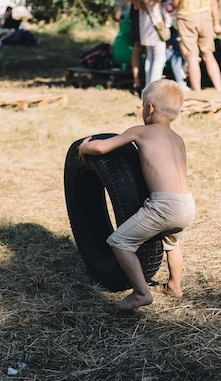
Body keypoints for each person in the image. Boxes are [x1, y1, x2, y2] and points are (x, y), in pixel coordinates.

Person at [78, 79, 195, 311]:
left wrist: (84, 147)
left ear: (149, 108)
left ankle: (141, 293)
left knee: (119, 242)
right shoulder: (178, 139)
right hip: (187, 204)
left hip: (164, 205)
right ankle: (175, 286)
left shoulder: (141, 131)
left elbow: (102, 148)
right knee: (172, 244)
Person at [172, 0, 221, 91]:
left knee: (192, 58)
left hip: (186, 17)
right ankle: (219, 89)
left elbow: (175, 3)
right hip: (205, 15)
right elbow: (214, 3)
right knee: (209, 55)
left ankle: (197, 92)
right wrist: (216, 24)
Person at [139, 0, 169, 87]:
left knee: (150, 57)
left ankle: (148, 86)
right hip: (154, 24)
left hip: (146, 23)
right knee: (159, 57)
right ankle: (153, 87)